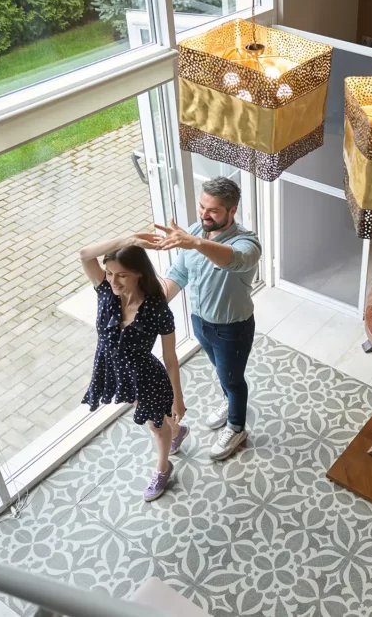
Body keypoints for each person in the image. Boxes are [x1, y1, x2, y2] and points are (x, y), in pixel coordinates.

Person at [155, 176, 261, 461]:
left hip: (232, 329)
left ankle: (237, 427)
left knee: (233, 378)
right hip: (201, 323)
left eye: (213, 210)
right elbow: (178, 275)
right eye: (202, 206)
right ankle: (230, 401)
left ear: (232, 211)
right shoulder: (194, 233)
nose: (204, 214)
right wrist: (152, 303)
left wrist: (196, 242)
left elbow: (232, 259)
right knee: (223, 373)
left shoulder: (247, 243)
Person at [79, 235, 185, 501]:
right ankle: (177, 429)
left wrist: (179, 399)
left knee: (155, 427)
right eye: (110, 273)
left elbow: (170, 358)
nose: (114, 281)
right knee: (156, 417)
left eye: (122, 275)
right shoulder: (105, 290)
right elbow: (84, 253)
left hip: (146, 376)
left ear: (139, 273)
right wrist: (128, 239)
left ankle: (163, 467)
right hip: (114, 370)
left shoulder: (157, 309)